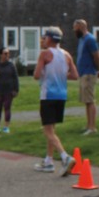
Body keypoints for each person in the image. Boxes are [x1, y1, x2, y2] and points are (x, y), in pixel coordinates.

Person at [33, 26, 79, 175]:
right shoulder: (67, 55)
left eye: (45, 37)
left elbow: (36, 75)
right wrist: (61, 74)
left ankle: (65, 157)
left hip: (48, 95)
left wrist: (45, 72)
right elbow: (75, 75)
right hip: (61, 95)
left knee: (47, 131)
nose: (43, 40)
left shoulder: (45, 54)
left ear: (49, 39)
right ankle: (49, 161)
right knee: (52, 130)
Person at [73, 19, 99, 135]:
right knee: (86, 101)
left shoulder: (90, 39)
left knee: (90, 100)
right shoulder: (82, 40)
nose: (74, 31)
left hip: (88, 74)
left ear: (81, 27)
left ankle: (92, 127)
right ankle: (88, 125)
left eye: (75, 28)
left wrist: (95, 70)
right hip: (83, 73)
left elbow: (97, 56)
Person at [0, 47, 19, 133]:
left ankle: (6, 127)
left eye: (8, 53)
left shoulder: (11, 65)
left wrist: (16, 90)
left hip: (9, 91)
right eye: (5, 53)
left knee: (7, 108)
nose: (7, 55)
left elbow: (15, 78)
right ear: (0, 55)